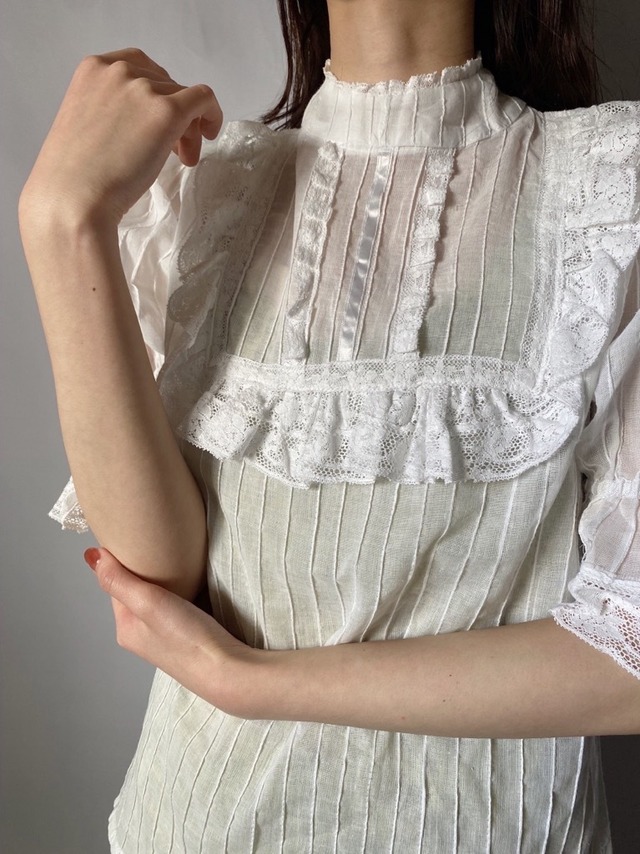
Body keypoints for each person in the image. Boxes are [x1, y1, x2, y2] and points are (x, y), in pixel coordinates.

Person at [18, 0, 640, 851]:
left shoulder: (609, 184)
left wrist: (251, 683)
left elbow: (629, 657)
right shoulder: (210, 186)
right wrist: (62, 223)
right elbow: (164, 573)